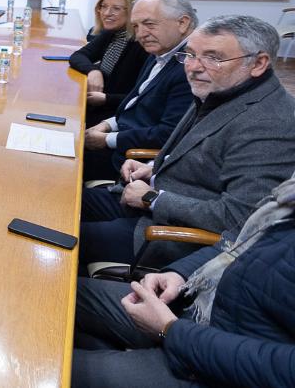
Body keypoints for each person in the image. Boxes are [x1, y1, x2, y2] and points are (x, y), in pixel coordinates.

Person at [78, 15, 295, 272]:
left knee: (64, 237)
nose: (193, 67)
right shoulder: (225, 88)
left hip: (168, 236)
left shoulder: (269, 123)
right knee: (58, 203)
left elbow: (240, 218)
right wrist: (153, 166)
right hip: (148, 200)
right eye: (190, 54)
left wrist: (152, 198)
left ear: (258, 63)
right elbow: (201, 155)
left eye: (213, 57)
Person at [72, 170, 295, 388]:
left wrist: (170, 330)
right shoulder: (288, 198)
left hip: (215, 366)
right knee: (65, 295)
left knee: (53, 371)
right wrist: (180, 274)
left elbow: (282, 369)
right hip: (197, 311)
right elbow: (237, 242)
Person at [81, 0, 195, 181]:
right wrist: (106, 125)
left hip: (130, 161)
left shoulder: (190, 67)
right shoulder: (159, 53)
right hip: (121, 141)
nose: (141, 34)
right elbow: (133, 103)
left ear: (182, 23)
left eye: (149, 24)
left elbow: (168, 134)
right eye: (135, 26)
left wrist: (107, 139)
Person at [70, 0, 147, 127]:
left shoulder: (142, 45)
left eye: (116, 8)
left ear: (132, 11)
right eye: (103, 6)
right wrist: (93, 71)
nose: (106, 13)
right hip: (96, 109)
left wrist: (107, 99)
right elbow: (79, 55)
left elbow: (142, 98)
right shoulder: (112, 33)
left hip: (114, 119)